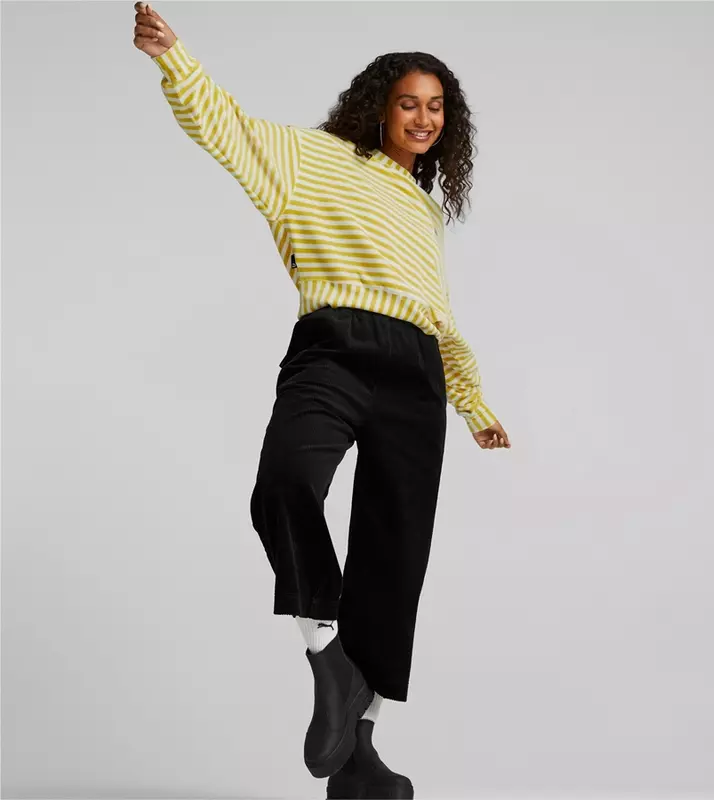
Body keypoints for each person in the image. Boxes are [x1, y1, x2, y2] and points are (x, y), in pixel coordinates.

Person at [133, 4, 511, 797]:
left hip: (416, 370)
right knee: (283, 487)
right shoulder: (314, 159)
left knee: (394, 558)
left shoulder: (425, 209)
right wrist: (174, 58)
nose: (423, 118)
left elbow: (436, 312)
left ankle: (360, 759)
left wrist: (472, 402)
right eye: (408, 103)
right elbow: (227, 128)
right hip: (333, 346)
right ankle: (327, 657)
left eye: (436, 107)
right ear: (379, 105)